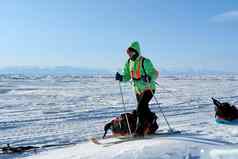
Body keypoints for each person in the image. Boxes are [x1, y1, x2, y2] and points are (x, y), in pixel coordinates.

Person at [115, 41, 159, 136]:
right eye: (128, 53)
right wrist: (121, 78)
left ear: (136, 51)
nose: (130, 54)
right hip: (138, 90)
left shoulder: (145, 61)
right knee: (144, 108)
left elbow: (154, 73)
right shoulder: (128, 63)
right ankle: (153, 123)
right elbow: (127, 76)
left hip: (148, 88)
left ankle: (140, 130)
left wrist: (149, 77)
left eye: (131, 52)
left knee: (140, 109)